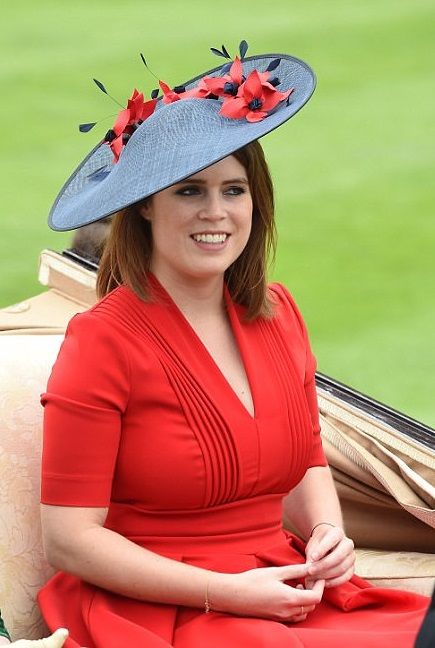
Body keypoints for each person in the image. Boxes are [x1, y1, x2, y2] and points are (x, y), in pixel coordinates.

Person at [38, 41, 429, 647]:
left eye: (234, 189)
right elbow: (69, 538)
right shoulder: (102, 342)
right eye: (188, 191)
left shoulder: (278, 312)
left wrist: (326, 533)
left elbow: (305, 461)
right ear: (143, 206)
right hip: (166, 608)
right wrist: (221, 592)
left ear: (257, 199)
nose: (215, 212)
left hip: (282, 585)